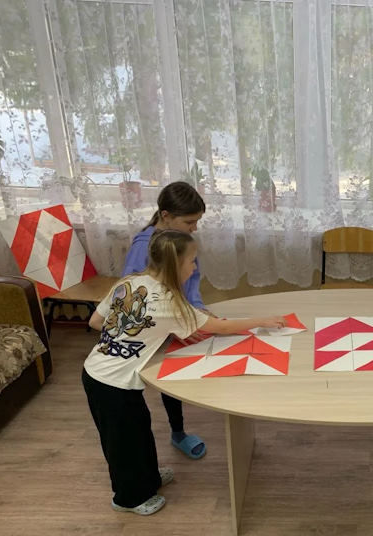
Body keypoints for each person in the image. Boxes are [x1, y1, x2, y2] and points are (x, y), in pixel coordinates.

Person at [83, 229, 286, 515]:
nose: (194, 267)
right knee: (122, 443)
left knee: (139, 432)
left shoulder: (129, 282)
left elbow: (95, 321)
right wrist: (263, 320)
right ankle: (129, 499)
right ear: (175, 264)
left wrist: (134, 334)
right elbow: (220, 327)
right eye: (192, 261)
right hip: (112, 383)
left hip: (96, 371)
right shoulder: (170, 303)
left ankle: (148, 478)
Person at [122, 181, 210, 460]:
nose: (194, 228)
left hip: (176, 318)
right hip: (152, 328)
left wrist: (198, 309)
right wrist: (174, 325)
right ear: (166, 216)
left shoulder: (181, 241)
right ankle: (177, 432)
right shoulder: (143, 247)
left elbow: (191, 281)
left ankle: (177, 431)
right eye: (189, 222)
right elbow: (131, 297)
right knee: (161, 376)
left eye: (197, 222)